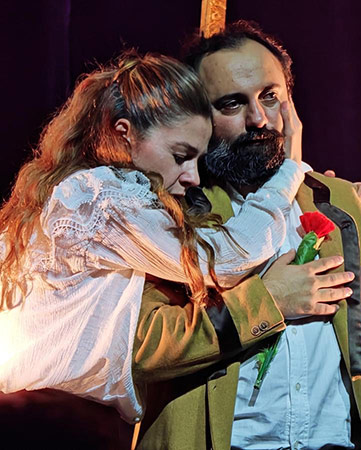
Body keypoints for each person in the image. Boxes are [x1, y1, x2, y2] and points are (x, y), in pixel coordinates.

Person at [131, 21, 361, 450]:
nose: (258, 118)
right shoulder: (173, 211)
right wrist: (268, 300)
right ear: (199, 117)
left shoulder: (342, 202)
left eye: (270, 96)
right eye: (232, 103)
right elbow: (142, 348)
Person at [0, 52, 306, 422]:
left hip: (50, 415)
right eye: (180, 156)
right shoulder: (100, 198)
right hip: (47, 418)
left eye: (197, 160)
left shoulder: (81, 191)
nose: (193, 176)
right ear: (124, 134)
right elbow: (227, 259)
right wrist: (290, 172)